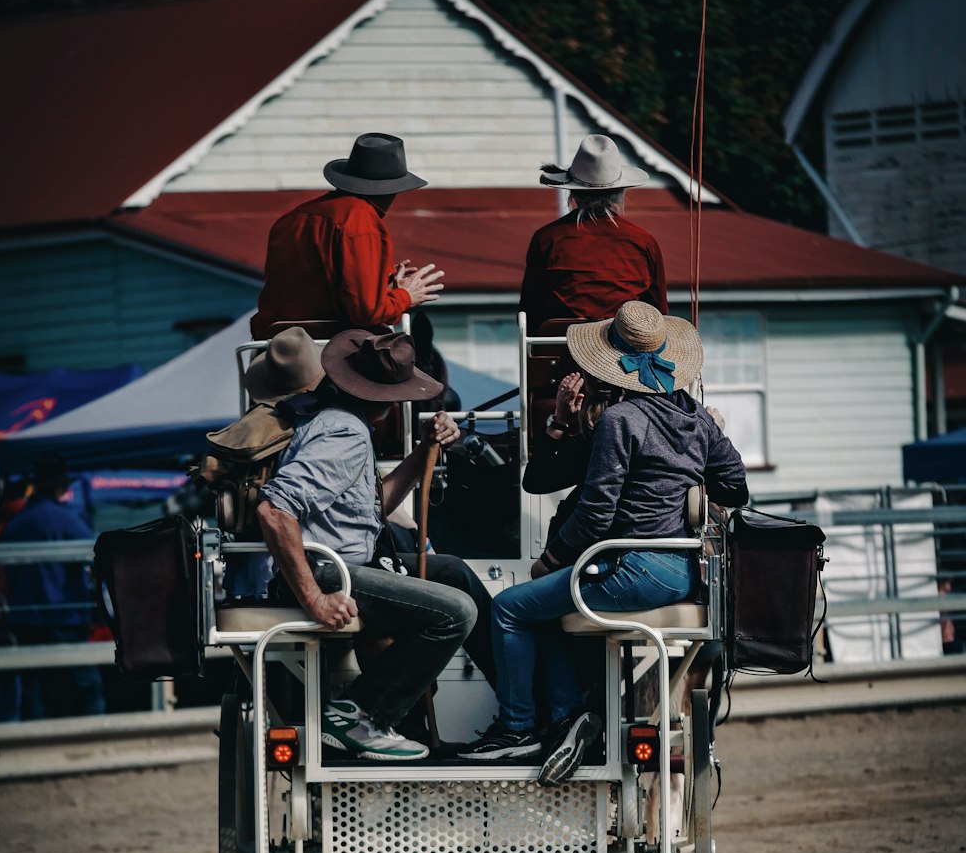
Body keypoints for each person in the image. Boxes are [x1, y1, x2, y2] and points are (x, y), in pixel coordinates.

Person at [457, 300, 748, 785]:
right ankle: (572, 718)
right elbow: (736, 488)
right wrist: (684, 483)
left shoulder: (620, 420)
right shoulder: (696, 418)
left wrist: (550, 559)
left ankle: (517, 729)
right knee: (541, 610)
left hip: (631, 568)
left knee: (510, 607)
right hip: (682, 571)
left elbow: (596, 513)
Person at [248, 327, 487, 761]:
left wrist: (424, 451)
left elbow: (372, 510)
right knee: (456, 613)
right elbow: (275, 510)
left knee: (452, 572)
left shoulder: (339, 422)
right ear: (387, 399)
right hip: (330, 573)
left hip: (342, 567)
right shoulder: (345, 433)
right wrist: (316, 600)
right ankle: (361, 713)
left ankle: (522, 714)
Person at [251, 133, 446, 339]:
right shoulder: (361, 221)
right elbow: (366, 312)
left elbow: (310, 289)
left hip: (274, 343)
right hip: (331, 345)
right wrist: (405, 296)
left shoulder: (293, 218)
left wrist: (381, 283)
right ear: (391, 190)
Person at [518, 134, 668, 334]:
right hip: (623, 351)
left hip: (561, 350)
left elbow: (530, 310)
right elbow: (659, 312)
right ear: (620, 192)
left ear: (573, 192)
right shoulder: (644, 241)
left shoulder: (547, 238)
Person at [3, 456, 105, 720]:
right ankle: (94, 740)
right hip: (63, 616)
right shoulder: (66, 520)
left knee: (34, 684)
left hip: (25, 617)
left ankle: (35, 745)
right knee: (86, 684)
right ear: (59, 485)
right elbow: (98, 556)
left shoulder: (17, 523)